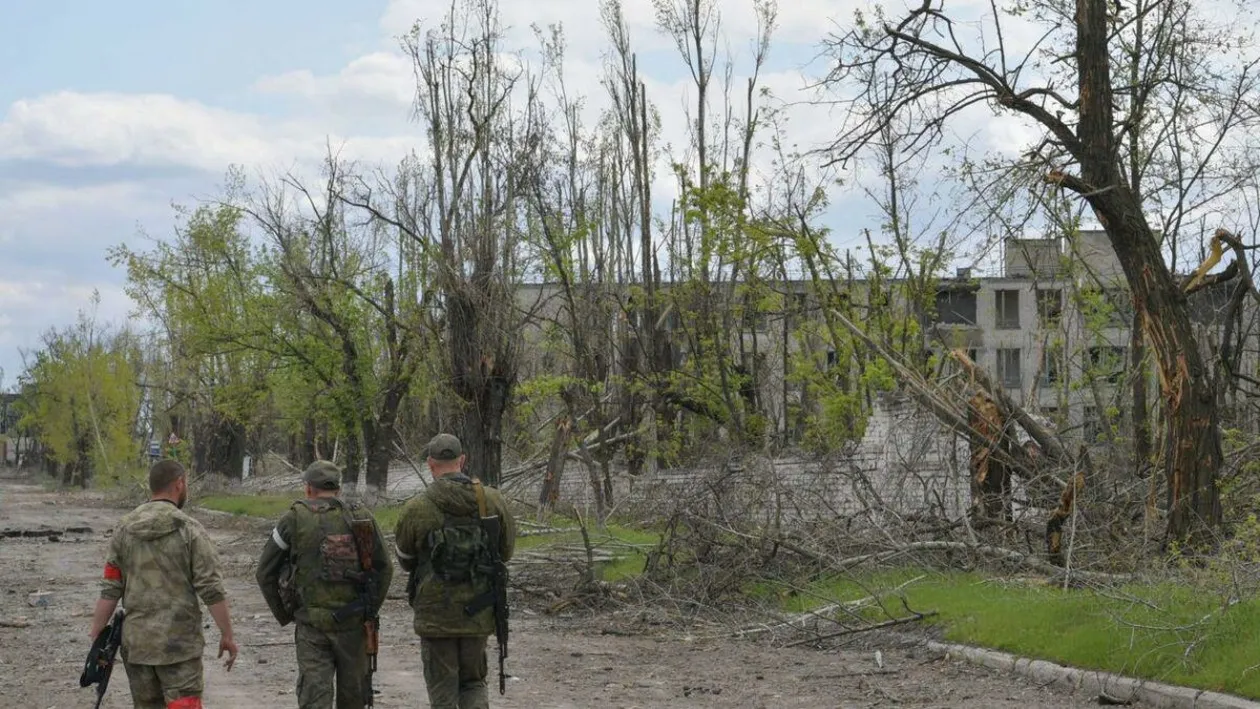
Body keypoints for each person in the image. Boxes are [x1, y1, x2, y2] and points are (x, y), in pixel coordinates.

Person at [88, 459, 238, 709]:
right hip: (180, 647)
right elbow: (211, 589)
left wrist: (96, 633)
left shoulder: (124, 529)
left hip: (138, 646)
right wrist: (227, 635)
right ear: (179, 484)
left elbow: (110, 588)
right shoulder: (190, 530)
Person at [256, 460, 395, 709]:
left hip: (312, 626)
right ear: (338, 489)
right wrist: (370, 609)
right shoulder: (361, 516)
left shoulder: (293, 519)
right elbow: (385, 568)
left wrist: (285, 614)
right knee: (354, 698)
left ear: (308, 488)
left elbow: (265, 572)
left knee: (314, 698)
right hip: (354, 626)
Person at [394, 434, 517, 709]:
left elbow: (405, 560)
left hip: (435, 616)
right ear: (462, 460)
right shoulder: (492, 500)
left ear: (430, 464)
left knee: (442, 690)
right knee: (474, 682)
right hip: (479, 611)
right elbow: (505, 553)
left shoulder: (416, 507)